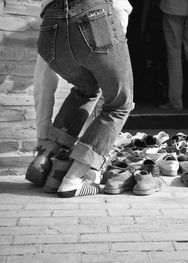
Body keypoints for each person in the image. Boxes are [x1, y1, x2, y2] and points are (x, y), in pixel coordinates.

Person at [26, 0, 134, 198]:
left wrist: (42, 133)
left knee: (87, 89)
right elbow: (118, 7)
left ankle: (46, 157)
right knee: (119, 103)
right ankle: (72, 181)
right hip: (95, 18)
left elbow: (44, 75)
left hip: (50, 26)